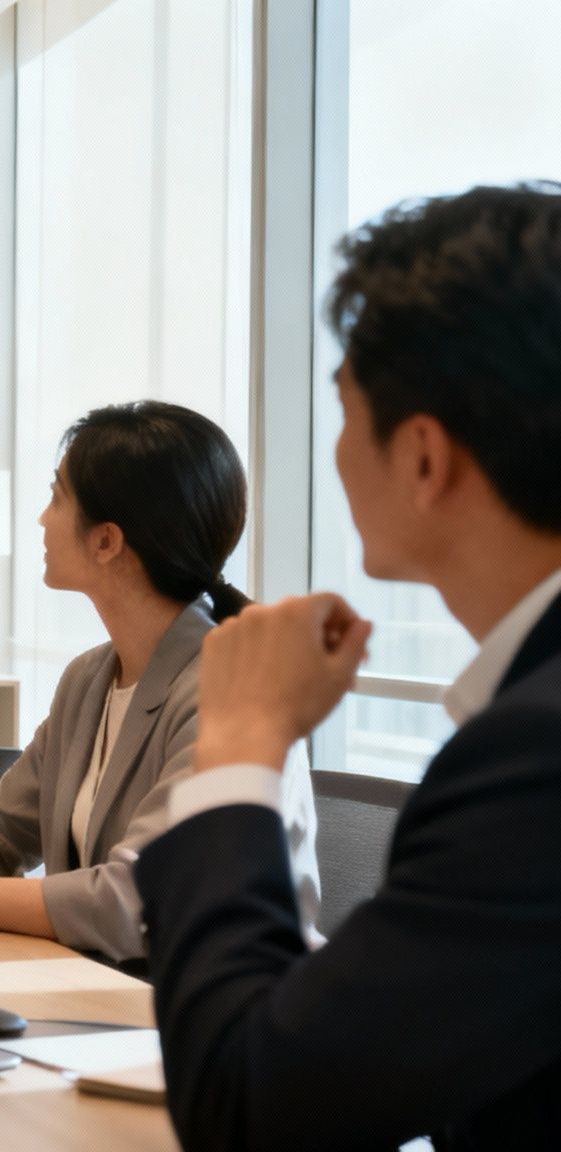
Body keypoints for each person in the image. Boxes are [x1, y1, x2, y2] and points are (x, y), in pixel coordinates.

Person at [134, 184, 561, 1150]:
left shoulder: (533, 755)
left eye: (342, 410)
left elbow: (254, 1107)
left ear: (421, 457)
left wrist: (243, 740)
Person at [0, 402, 321, 965]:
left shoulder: (233, 694)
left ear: (106, 541)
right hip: (103, 988)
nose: (41, 519)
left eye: (56, 497)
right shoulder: (89, 678)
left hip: (216, 1016)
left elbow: (132, 902)